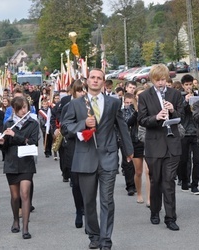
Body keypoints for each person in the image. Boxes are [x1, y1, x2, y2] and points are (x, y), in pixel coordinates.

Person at [62, 68, 133, 250]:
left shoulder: (113, 102)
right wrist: (83, 124)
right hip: (85, 158)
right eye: (92, 78)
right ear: (87, 81)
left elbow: (122, 126)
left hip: (108, 157)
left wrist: (128, 150)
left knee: (107, 200)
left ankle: (105, 239)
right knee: (88, 202)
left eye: (99, 78)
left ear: (103, 82)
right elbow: (65, 127)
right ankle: (93, 235)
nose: (95, 81)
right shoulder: (76, 104)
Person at [138, 63, 183, 231]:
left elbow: (182, 116)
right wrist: (156, 117)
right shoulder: (144, 96)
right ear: (152, 80)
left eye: (163, 79)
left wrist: (173, 111)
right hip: (154, 145)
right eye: (157, 80)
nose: (161, 83)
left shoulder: (175, 94)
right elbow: (141, 120)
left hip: (172, 145)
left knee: (168, 182)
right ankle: (155, 211)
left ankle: (170, 217)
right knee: (155, 181)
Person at [0, 96, 39, 239]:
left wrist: (15, 135)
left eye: (25, 107)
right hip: (11, 163)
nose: (23, 111)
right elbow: (6, 148)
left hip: (26, 162)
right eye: (19, 108)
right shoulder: (8, 123)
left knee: (25, 194)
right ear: (14, 109)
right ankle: (16, 220)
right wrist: (1, 142)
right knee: (15, 197)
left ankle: (25, 228)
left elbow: (33, 142)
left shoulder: (33, 123)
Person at [59, 79, 86, 228]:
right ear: (73, 92)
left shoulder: (90, 106)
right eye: (79, 90)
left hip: (89, 148)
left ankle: (88, 210)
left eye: (84, 90)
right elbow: (64, 128)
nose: (82, 93)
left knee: (87, 183)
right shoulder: (68, 106)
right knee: (76, 183)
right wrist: (80, 130)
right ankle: (79, 210)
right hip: (74, 147)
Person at [122, 90, 145, 204]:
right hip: (136, 141)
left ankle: (150, 198)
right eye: (139, 95)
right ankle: (139, 193)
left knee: (150, 171)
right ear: (135, 96)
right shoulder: (130, 108)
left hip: (150, 141)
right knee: (139, 171)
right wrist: (136, 112)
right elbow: (126, 123)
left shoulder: (151, 105)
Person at [178, 74, 199, 194]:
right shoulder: (179, 97)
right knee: (184, 159)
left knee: (197, 159)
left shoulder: (198, 96)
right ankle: (184, 180)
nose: (188, 87)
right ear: (182, 86)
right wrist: (186, 101)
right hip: (184, 131)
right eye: (186, 85)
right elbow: (179, 112)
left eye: (190, 84)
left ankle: (195, 183)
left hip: (196, 132)